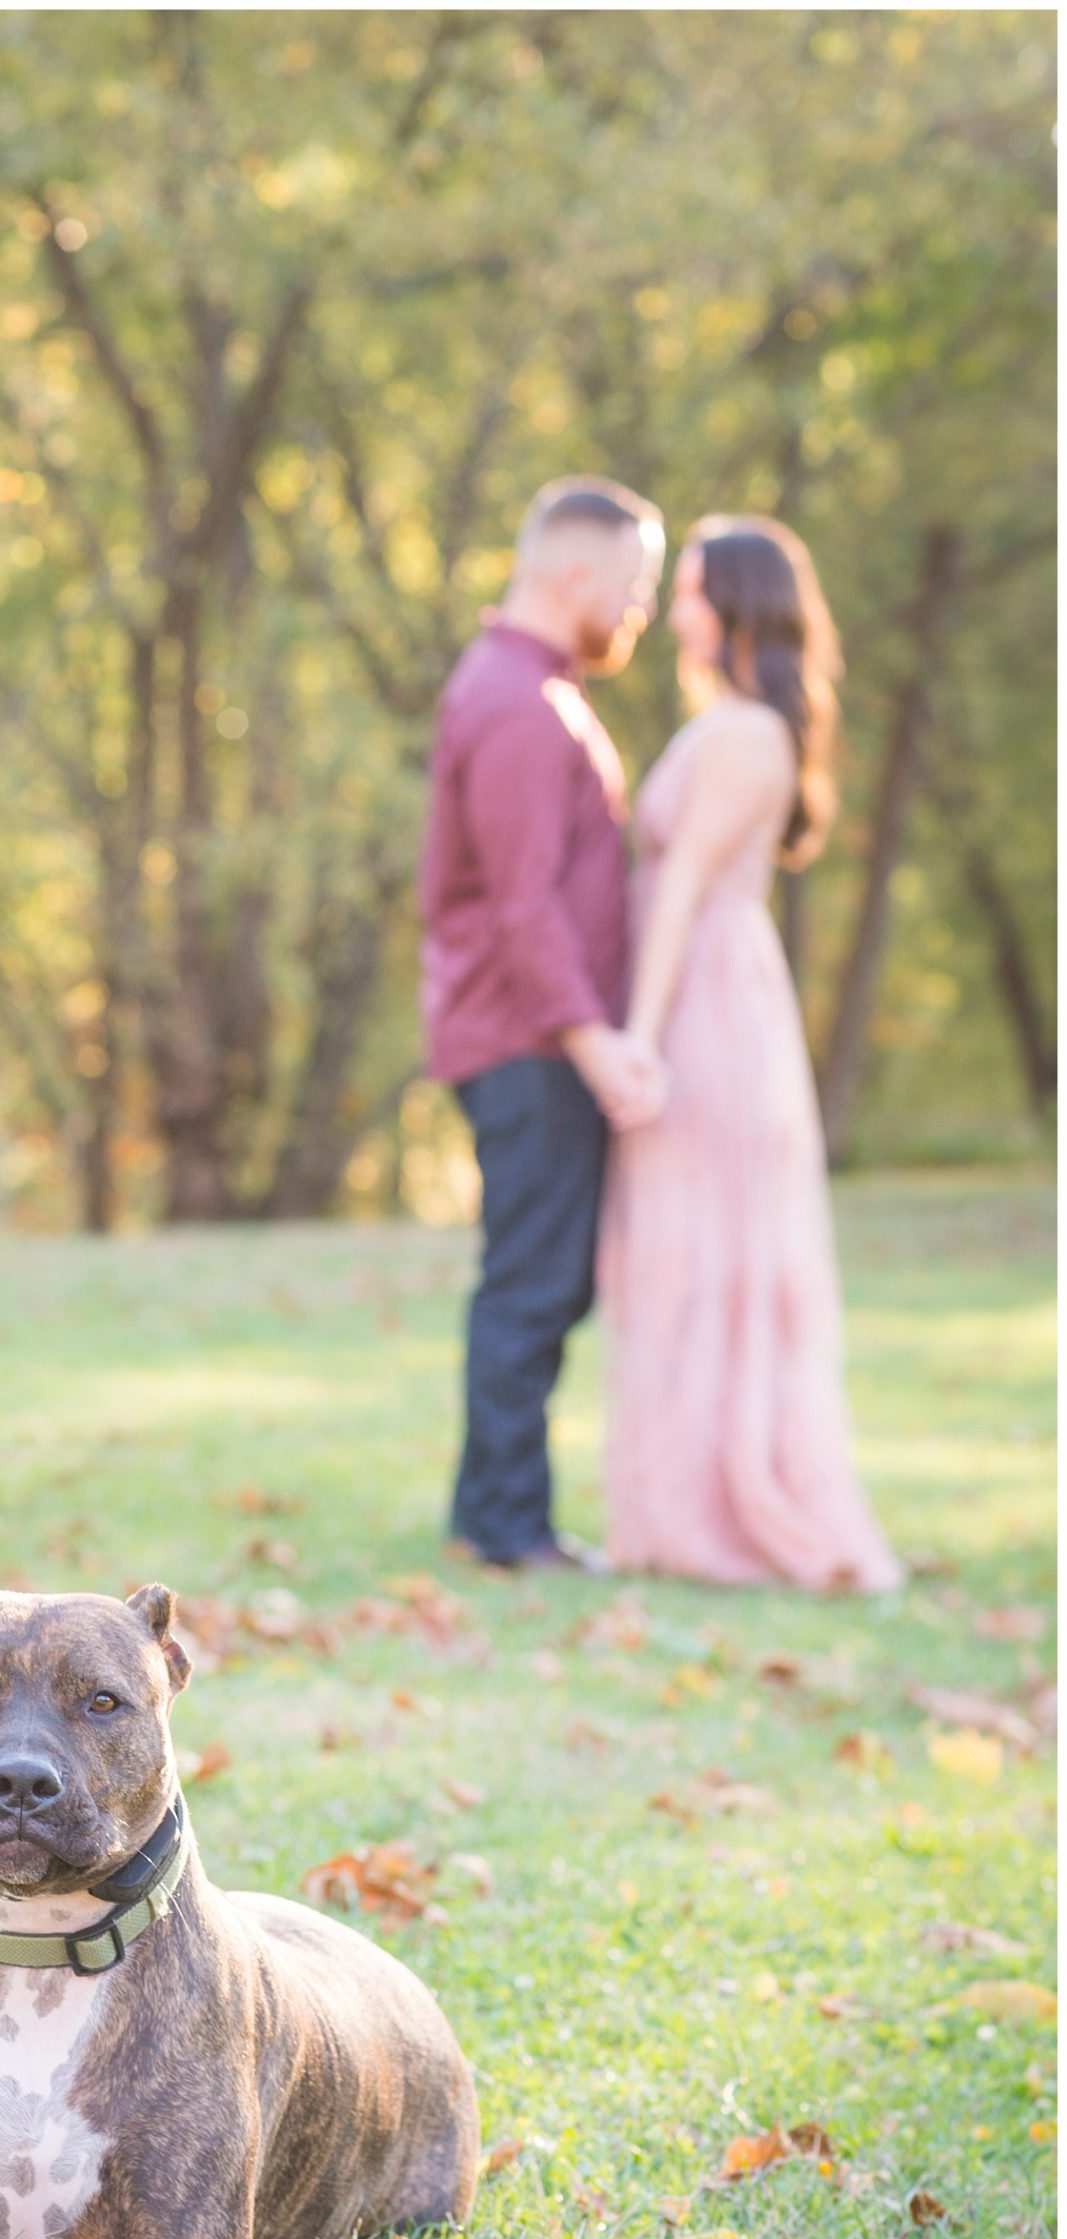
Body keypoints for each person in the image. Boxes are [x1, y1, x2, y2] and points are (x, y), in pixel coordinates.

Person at [599, 517, 902, 1591]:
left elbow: (679, 890)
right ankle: (669, 1506)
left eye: (687, 590)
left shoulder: (745, 735)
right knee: (678, 1254)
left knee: (706, 1253)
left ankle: (720, 1512)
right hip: (698, 993)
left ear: (733, 604)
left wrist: (636, 1033)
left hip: (708, 1007)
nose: (673, 609)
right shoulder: (729, 723)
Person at [418, 476, 666, 1571]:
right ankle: (504, 1527)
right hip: (526, 1042)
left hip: (527, 1035)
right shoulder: (517, 705)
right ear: (574, 576)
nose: (638, 610)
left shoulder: (530, 690)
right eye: (631, 585)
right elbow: (518, 903)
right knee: (529, 1281)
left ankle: (495, 1513)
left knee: (539, 1280)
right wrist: (589, 1037)